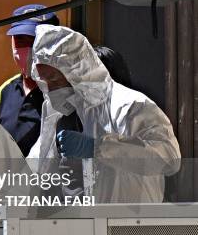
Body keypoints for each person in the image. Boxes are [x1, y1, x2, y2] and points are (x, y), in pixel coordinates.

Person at [28, 25, 181, 203]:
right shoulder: (59, 113)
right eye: (44, 80)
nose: (50, 88)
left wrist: (99, 148)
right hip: (77, 225)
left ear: (75, 70)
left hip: (128, 225)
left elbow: (169, 158)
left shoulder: (130, 105)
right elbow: (36, 167)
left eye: (54, 78)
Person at [0, 4, 59, 156]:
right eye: (20, 40)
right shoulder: (4, 92)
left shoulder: (63, 91)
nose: (28, 49)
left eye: (34, 41)